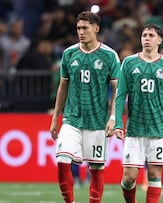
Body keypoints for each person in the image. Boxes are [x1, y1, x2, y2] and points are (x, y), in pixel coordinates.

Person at [49, 11, 120, 203]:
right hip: (71, 119)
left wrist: (114, 118)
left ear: (96, 29)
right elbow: (63, 86)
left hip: (98, 121)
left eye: (85, 28)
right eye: (78, 28)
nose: (81, 32)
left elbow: (118, 91)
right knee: (62, 160)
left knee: (96, 168)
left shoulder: (109, 55)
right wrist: (56, 117)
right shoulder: (69, 54)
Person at [114, 23, 163, 203]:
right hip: (135, 129)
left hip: (159, 129)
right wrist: (118, 122)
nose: (147, 38)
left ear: (159, 40)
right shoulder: (129, 62)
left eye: (151, 35)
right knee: (129, 178)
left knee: (154, 173)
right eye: (144, 35)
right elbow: (121, 95)